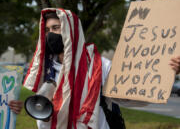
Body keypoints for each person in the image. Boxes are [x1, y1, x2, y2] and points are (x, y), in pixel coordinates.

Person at [9, 8, 180, 129]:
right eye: (46, 30)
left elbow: (129, 95)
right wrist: (18, 106)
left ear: (70, 31)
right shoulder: (44, 69)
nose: (50, 35)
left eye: (56, 28)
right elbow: (39, 106)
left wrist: (165, 73)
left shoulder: (100, 65)